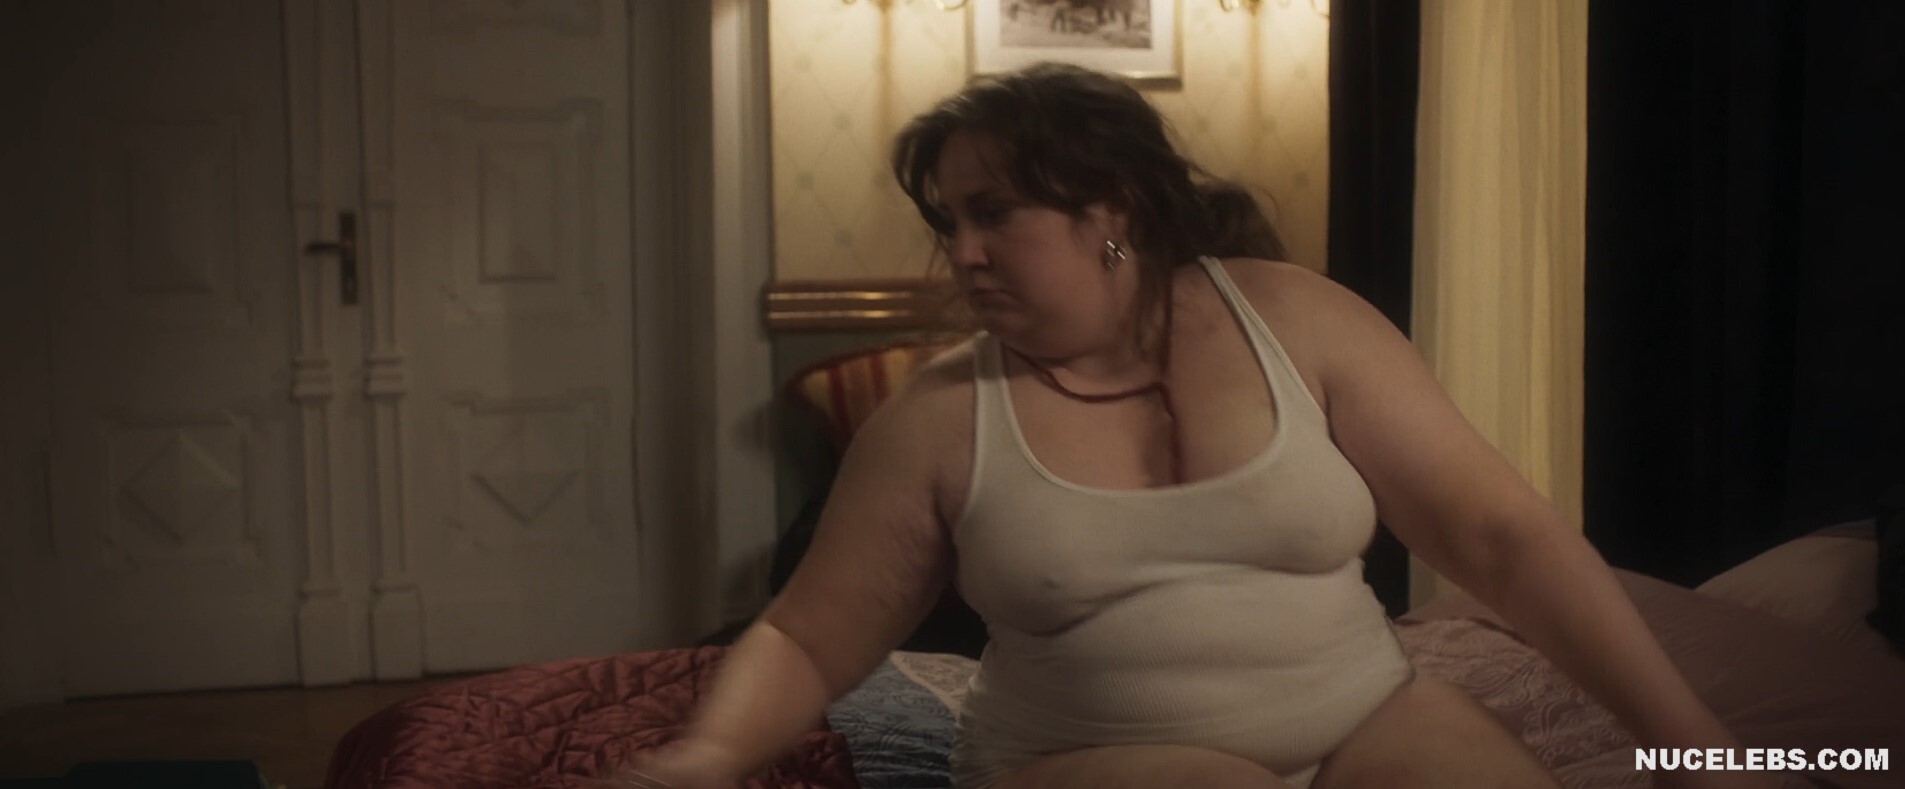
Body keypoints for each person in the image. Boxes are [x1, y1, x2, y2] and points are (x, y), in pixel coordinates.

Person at [605, 63, 1776, 789]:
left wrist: (1696, 744)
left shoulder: (1298, 319)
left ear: (1110, 210)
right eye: (949, 221)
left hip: (1367, 719)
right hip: (1083, 760)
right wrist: (709, 755)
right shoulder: (940, 416)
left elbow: (1502, 539)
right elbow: (808, 639)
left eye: (993, 214)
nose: (961, 252)